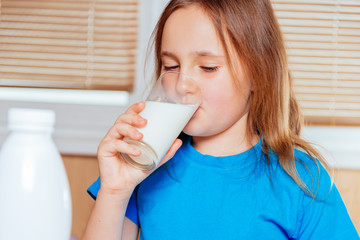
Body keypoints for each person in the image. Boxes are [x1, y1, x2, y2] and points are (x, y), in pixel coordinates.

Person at [83, 0, 359, 239]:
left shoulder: (300, 180)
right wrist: (114, 191)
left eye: (208, 67)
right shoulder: (144, 164)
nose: (182, 85)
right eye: (171, 66)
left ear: (258, 73)